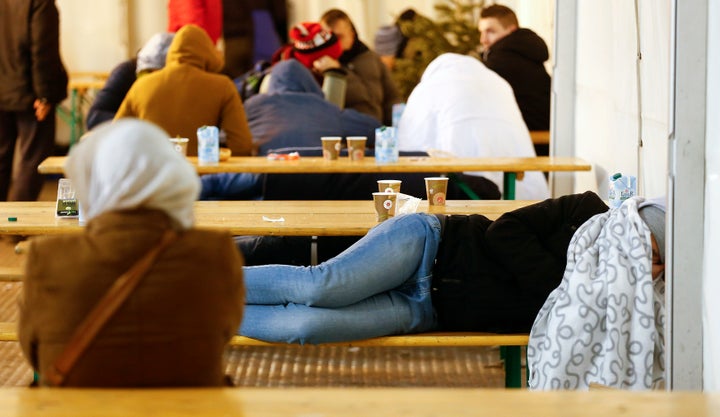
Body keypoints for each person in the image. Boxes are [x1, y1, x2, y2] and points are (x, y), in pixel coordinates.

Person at [18, 118, 245, 387]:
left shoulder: (46, 257)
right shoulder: (213, 250)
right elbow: (226, 331)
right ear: (173, 177)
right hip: (186, 407)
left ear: (92, 179)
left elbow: (33, 350)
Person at [239, 191, 612, 344]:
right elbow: (505, 231)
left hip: (427, 311)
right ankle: (196, 281)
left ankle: (197, 313)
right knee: (321, 288)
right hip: (430, 245)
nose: (656, 266)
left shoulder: (612, 293)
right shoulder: (589, 212)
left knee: (308, 326)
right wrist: (560, 284)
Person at [528, 197, 666, 390]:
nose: (640, 259)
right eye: (637, 247)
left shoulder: (661, 302)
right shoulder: (583, 289)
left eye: (652, 257)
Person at [200, 59, 380, 200]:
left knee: (213, 185)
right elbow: (376, 129)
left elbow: (227, 136)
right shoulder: (327, 108)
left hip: (265, 178)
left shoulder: (253, 104)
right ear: (309, 83)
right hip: (317, 184)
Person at [397, 53, 549, 200]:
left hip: (463, 183)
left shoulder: (429, 87)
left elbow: (411, 138)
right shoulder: (499, 83)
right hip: (517, 179)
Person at [115, 24, 253, 157]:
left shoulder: (142, 85)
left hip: (151, 174)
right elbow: (241, 145)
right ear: (209, 53)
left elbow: (114, 136)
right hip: (200, 175)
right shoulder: (223, 86)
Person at [0, 0, 68, 201]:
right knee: (32, 162)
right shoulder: (39, 2)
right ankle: (15, 227)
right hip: (30, 94)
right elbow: (42, 49)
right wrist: (45, 94)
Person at [318, 9, 402, 126]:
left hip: (378, 133)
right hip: (347, 136)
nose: (334, 43)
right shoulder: (320, 65)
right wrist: (334, 72)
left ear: (352, 34)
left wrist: (397, 127)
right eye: (329, 38)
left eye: (339, 37)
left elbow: (392, 97)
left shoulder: (371, 58)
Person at [478, 4, 551, 132]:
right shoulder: (526, 55)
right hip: (544, 141)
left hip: (527, 145)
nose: (483, 39)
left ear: (511, 30)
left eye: (490, 31)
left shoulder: (501, 61)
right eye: (481, 32)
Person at [86, 33, 175, 130]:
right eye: (148, 73)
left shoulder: (179, 81)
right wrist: (138, 123)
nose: (152, 81)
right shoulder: (125, 73)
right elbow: (94, 117)